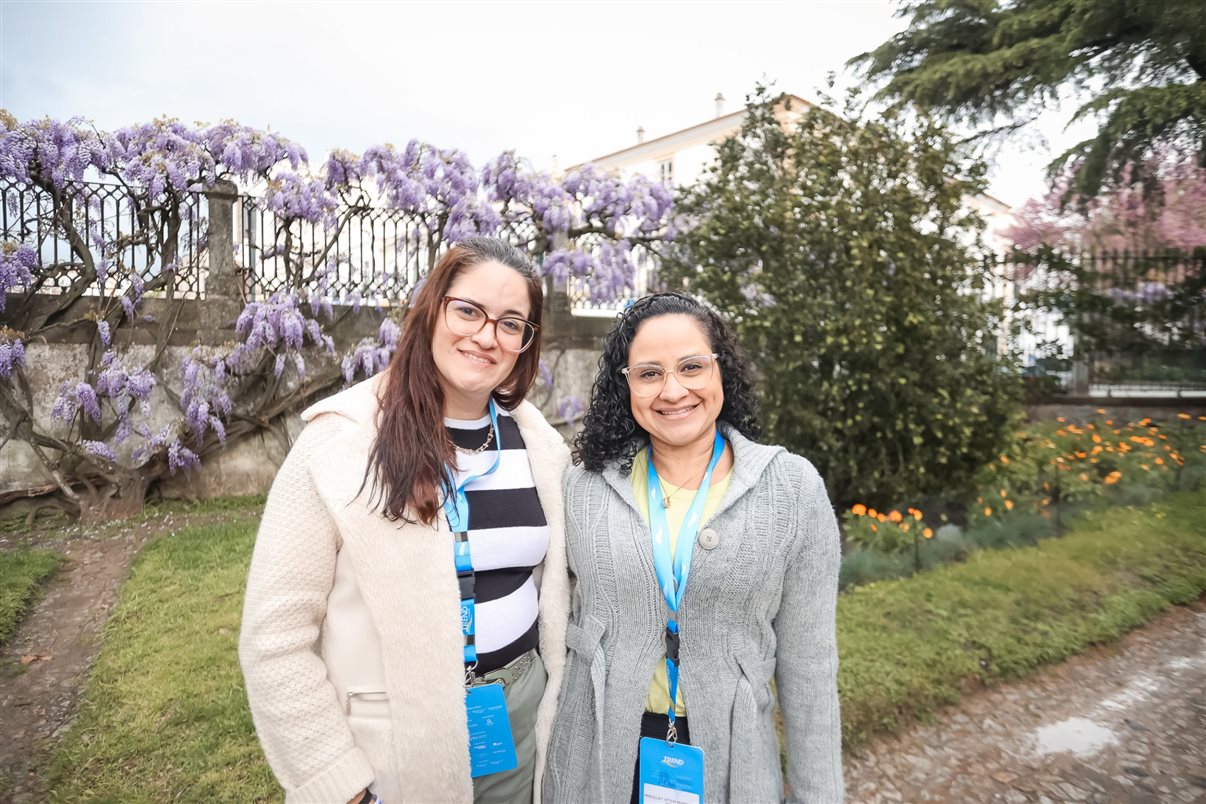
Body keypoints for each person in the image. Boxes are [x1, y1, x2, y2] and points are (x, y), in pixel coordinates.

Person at [239, 237, 571, 804]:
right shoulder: (342, 440)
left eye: (511, 323)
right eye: (468, 311)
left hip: (518, 720)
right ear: (433, 308)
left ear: (525, 343)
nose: (487, 336)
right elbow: (276, 637)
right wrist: (339, 786)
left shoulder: (539, 445)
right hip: (390, 745)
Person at [542, 292, 844, 803]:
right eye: (649, 373)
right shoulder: (582, 485)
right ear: (627, 385)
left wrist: (820, 796)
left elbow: (810, 666)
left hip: (733, 765)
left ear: (721, 370)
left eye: (691, 366)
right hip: (594, 762)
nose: (673, 389)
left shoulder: (792, 490)